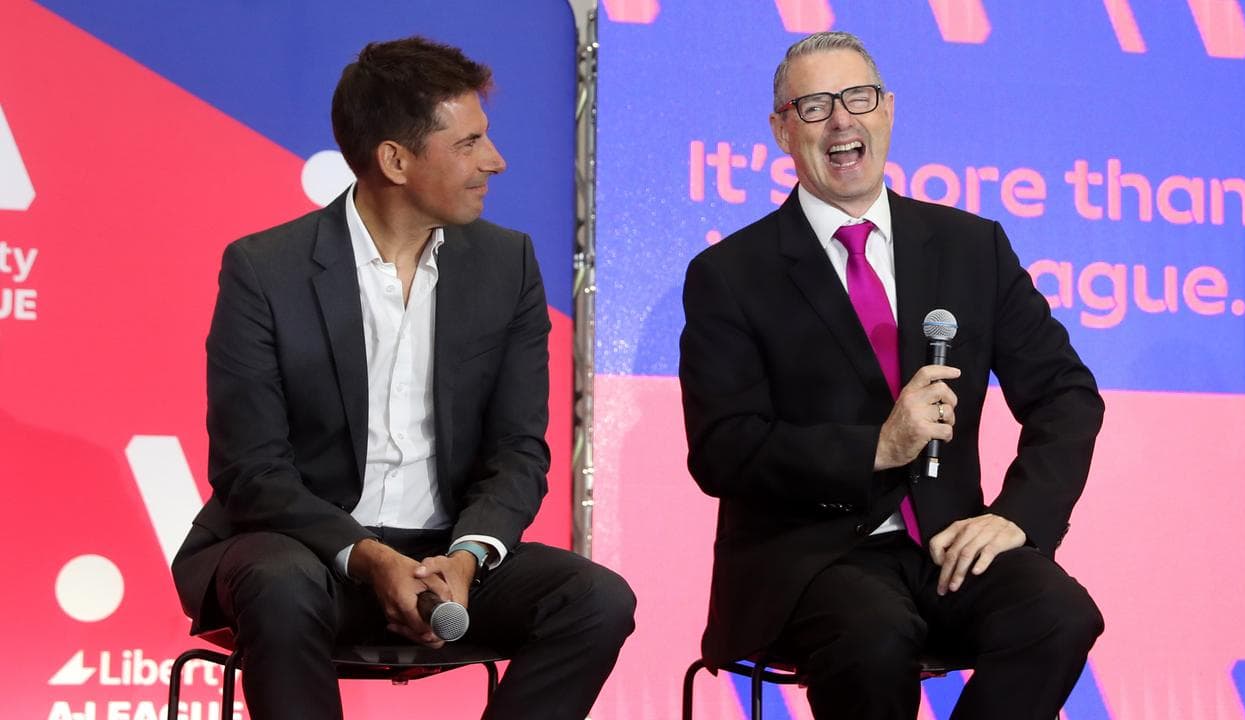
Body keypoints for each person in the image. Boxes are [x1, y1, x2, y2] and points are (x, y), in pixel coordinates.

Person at [171, 37, 635, 720]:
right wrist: (364, 556)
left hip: (448, 561)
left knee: (596, 600)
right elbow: (251, 472)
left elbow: (518, 453)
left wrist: (469, 557)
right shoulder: (265, 271)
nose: (495, 161)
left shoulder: (507, 266)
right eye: (469, 142)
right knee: (279, 583)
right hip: (305, 553)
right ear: (395, 159)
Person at [679, 31, 1104, 719]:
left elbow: (1066, 395)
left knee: (1059, 615)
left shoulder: (973, 247)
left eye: (858, 98)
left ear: (889, 111)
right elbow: (723, 451)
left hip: (948, 547)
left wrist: (1015, 519)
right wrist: (878, 446)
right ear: (782, 130)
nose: (842, 120)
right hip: (811, 562)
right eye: (814, 106)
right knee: (874, 639)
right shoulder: (731, 275)